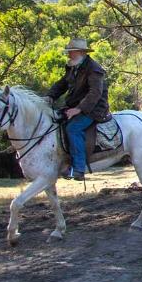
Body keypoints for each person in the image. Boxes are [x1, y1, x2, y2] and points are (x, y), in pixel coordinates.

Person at [47, 38, 111, 181]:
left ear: (81, 52)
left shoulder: (94, 69)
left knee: (73, 128)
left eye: (71, 52)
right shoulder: (73, 67)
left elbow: (95, 93)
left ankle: (78, 168)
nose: (68, 55)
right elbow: (62, 84)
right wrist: (50, 96)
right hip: (75, 106)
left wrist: (79, 109)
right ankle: (63, 163)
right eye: (68, 52)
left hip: (94, 108)